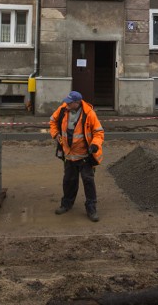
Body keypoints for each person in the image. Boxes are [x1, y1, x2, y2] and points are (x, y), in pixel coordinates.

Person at [49, 90, 105, 222]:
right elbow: (52, 121)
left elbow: (98, 132)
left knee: (88, 181)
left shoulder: (89, 114)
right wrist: (55, 134)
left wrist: (95, 145)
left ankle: (91, 208)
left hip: (85, 156)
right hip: (69, 155)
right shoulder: (63, 109)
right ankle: (66, 204)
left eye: (69, 102)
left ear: (77, 103)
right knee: (69, 181)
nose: (66, 104)